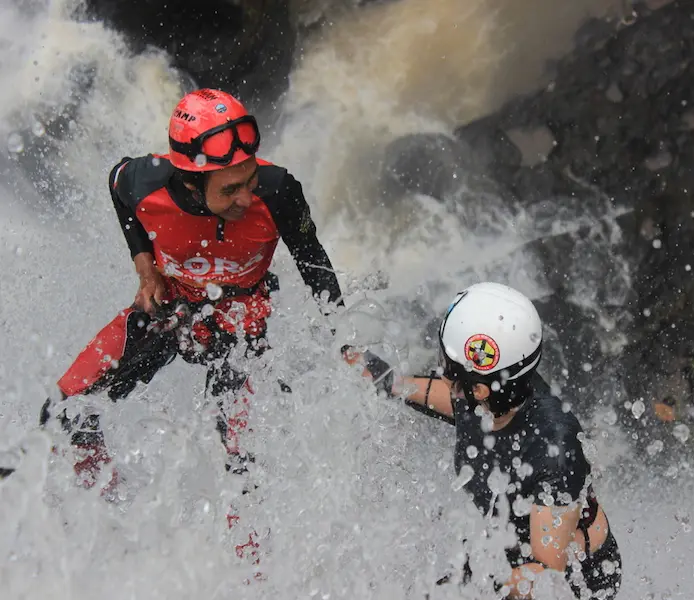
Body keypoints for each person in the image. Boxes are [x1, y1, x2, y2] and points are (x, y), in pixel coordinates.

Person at [41, 88, 345, 494]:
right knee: (61, 412)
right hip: (172, 308)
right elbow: (117, 187)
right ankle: (104, 498)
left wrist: (345, 341)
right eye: (230, 189)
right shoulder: (146, 182)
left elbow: (314, 263)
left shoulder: (279, 191)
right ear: (190, 181)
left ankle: (250, 552)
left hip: (243, 324)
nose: (246, 196)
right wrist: (145, 269)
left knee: (239, 461)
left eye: (250, 178)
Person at [347, 282, 622, 599]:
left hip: (576, 580)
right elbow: (455, 402)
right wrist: (389, 382)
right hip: (511, 546)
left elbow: (547, 580)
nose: (441, 370)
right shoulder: (501, 390)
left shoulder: (555, 449)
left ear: (477, 389)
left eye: (447, 366)